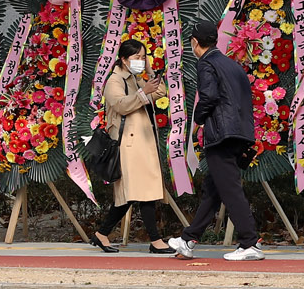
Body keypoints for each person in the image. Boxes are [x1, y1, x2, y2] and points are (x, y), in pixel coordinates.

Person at [168, 21, 262, 261]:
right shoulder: (233, 65)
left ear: (195, 43)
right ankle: (189, 240)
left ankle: (250, 242)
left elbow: (209, 97)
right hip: (239, 132)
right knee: (214, 189)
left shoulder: (206, 63)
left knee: (229, 189)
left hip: (221, 134)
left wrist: (198, 119)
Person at [93, 39, 174, 254]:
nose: (140, 61)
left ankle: (102, 233)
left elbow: (160, 92)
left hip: (141, 144)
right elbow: (120, 105)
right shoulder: (115, 80)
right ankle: (155, 241)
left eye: (143, 57)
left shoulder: (136, 78)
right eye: (137, 57)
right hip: (128, 145)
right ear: (123, 58)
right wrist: (142, 92)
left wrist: (148, 71)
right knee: (139, 192)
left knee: (135, 193)